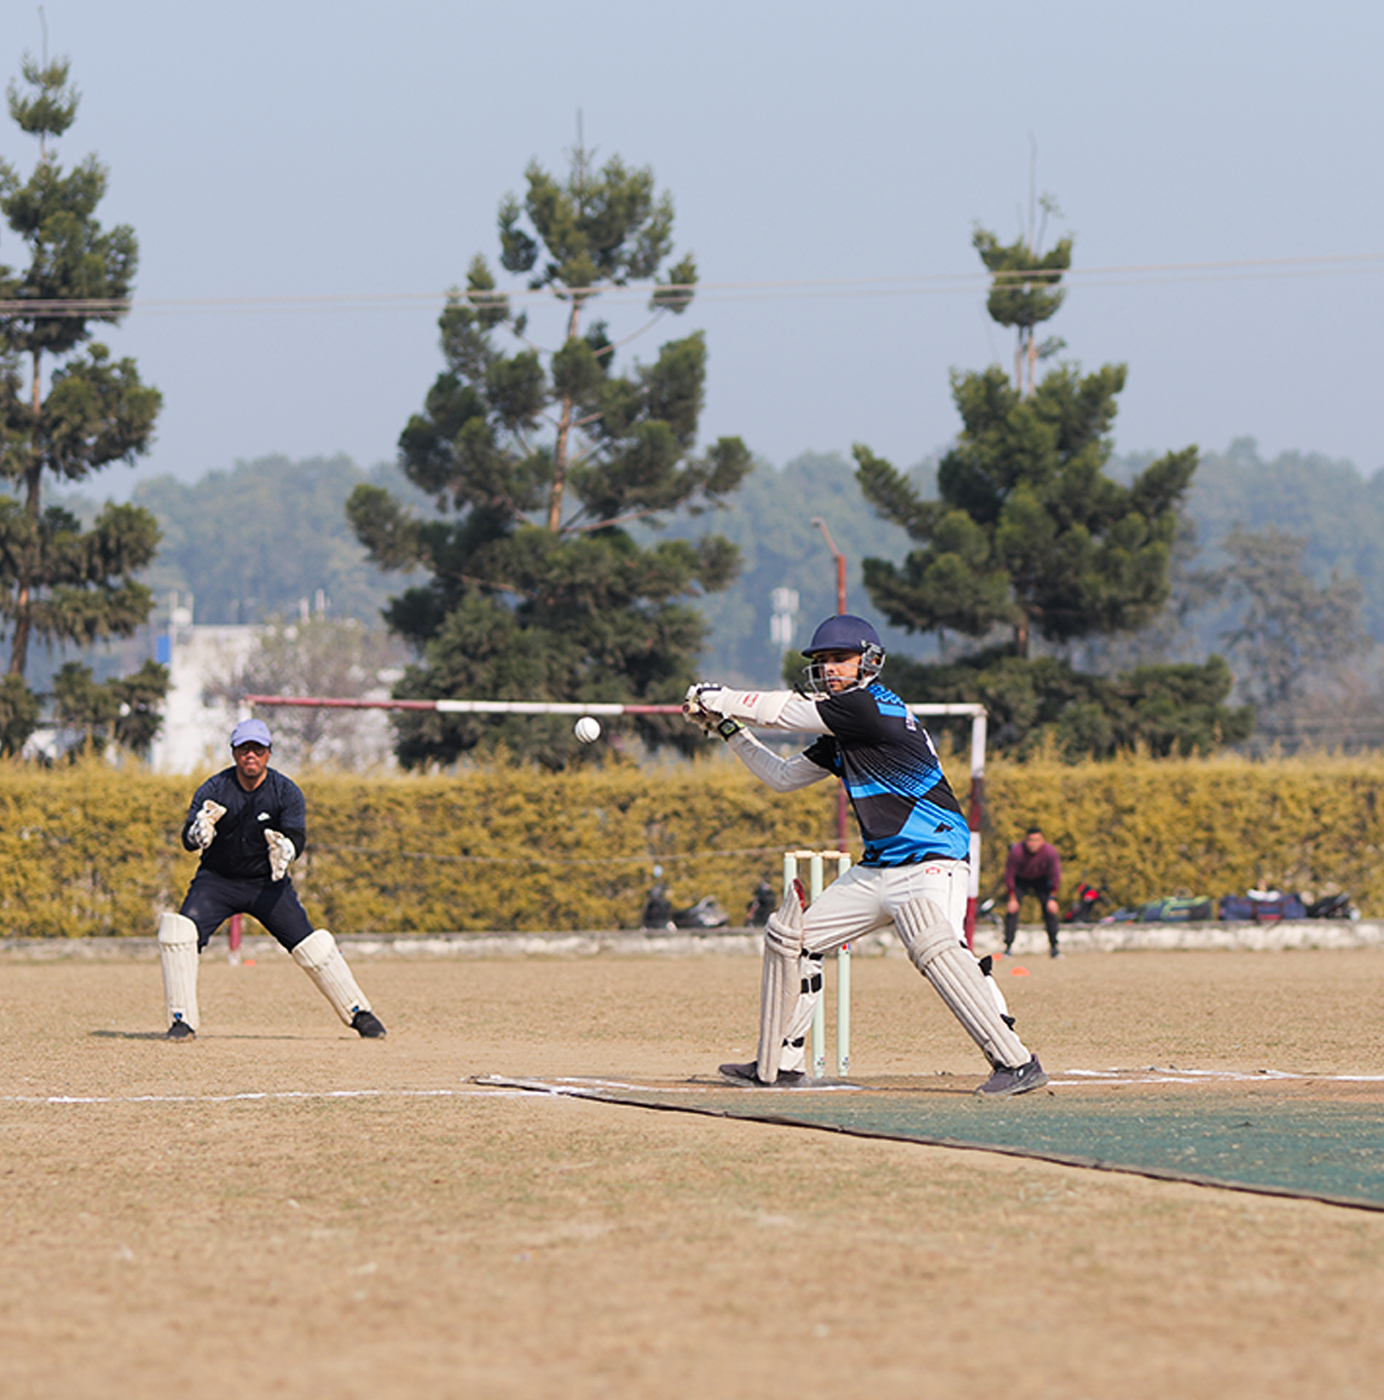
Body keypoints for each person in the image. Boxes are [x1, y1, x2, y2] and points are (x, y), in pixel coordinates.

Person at [683, 614, 1047, 1095]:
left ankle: (1016, 1062)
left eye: (840, 659)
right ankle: (781, 1064)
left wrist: (720, 698)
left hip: (933, 855)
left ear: (868, 662)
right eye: (823, 661)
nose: (830, 669)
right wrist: (729, 729)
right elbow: (782, 777)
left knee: (934, 944)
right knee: (793, 939)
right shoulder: (843, 729)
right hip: (878, 867)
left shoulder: (869, 707)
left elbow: (784, 713)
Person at [156, 718, 386, 1041]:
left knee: (312, 946)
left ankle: (359, 1013)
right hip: (216, 881)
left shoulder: (286, 791)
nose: (251, 755)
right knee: (179, 935)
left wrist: (286, 849)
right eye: (244, 748)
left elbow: (297, 835)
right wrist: (198, 831)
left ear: (269, 753)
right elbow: (186, 839)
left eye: (258, 749)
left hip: (267, 883)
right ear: (234, 752)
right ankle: (182, 1022)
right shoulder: (213, 789)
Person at [1003, 826, 1062, 958]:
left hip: (1041, 880)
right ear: (1025, 841)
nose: (1033, 844)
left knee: (1050, 910)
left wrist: (1052, 898)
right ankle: (1008, 946)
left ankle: (1054, 947)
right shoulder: (1017, 852)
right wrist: (1012, 898)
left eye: (1037, 840)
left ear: (1042, 841)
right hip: (1021, 880)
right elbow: (1009, 875)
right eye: (1030, 840)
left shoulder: (1050, 852)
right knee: (1012, 911)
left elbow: (1055, 875)